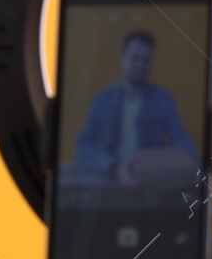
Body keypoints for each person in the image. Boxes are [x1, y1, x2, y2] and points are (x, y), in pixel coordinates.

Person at [72, 29, 199, 185]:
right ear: (122, 59)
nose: (140, 65)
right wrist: (114, 167)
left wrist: (191, 159)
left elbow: (180, 139)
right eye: (135, 58)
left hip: (149, 182)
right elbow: (83, 147)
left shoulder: (163, 99)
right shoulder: (102, 101)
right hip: (109, 181)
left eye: (146, 60)